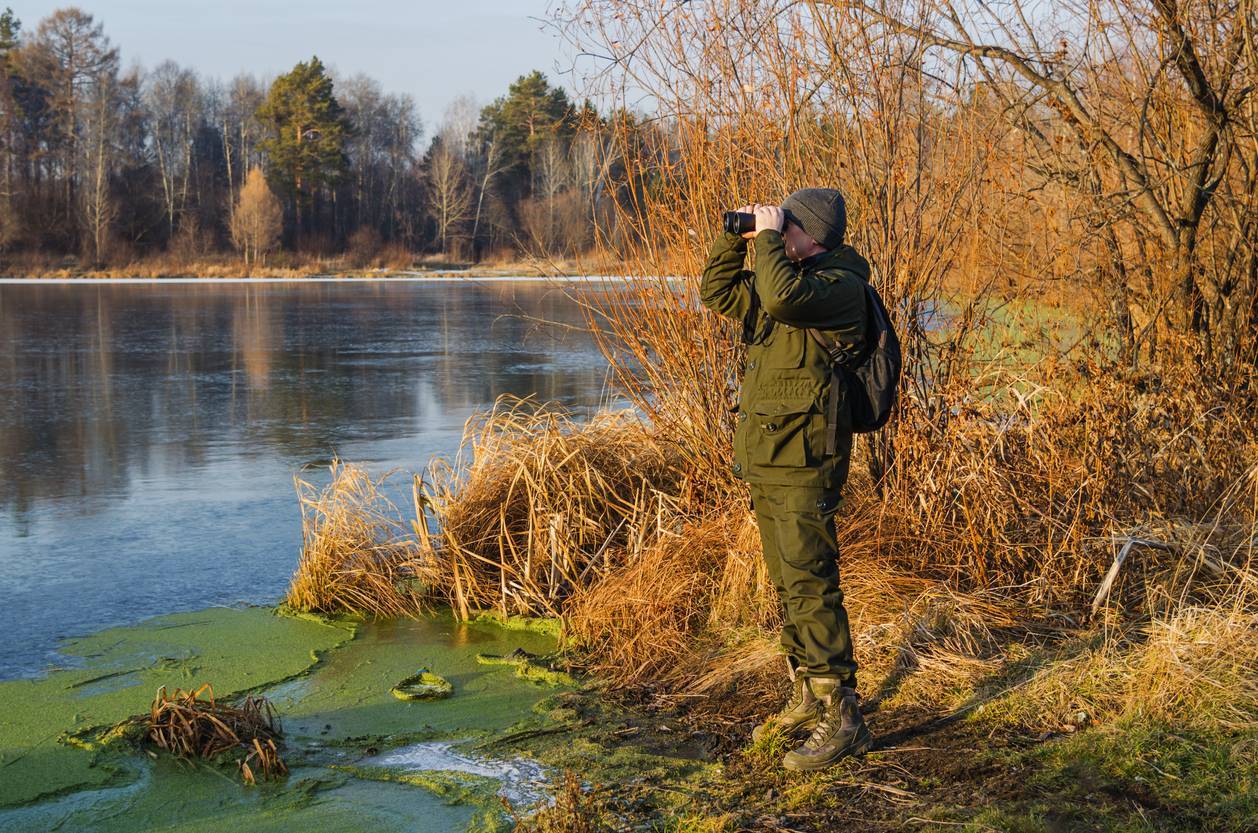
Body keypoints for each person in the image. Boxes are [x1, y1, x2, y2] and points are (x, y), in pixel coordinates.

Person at [699, 188, 872, 771]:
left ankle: (843, 715)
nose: (778, 232)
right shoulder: (786, 279)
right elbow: (717, 292)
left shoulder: (837, 286)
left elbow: (779, 294)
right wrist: (736, 237)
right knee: (785, 583)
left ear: (812, 234)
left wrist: (768, 239)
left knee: (811, 583)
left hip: (806, 462)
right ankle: (807, 695)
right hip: (769, 459)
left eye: (789, 224)